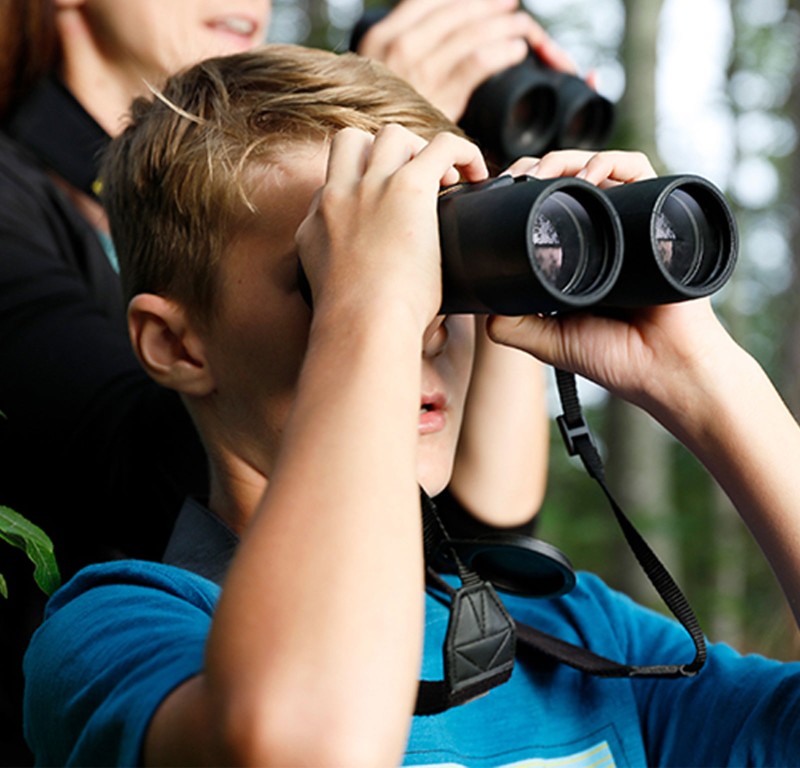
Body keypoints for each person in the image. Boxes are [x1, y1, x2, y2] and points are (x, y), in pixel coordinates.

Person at [23, 44, 800, 766]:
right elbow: (303, 740)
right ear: (177, 345)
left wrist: (706, 382)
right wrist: (370, 308)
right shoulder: (121, 630)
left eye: (441, 269)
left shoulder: (571, 636)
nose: (427, 324)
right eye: (325, 272)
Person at [1, 0, 560, 760]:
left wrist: (494, 220)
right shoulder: (13, 195)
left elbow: (477, 523)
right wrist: (363, 239)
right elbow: (138, 472)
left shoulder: (581, 628)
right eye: (311, 272)